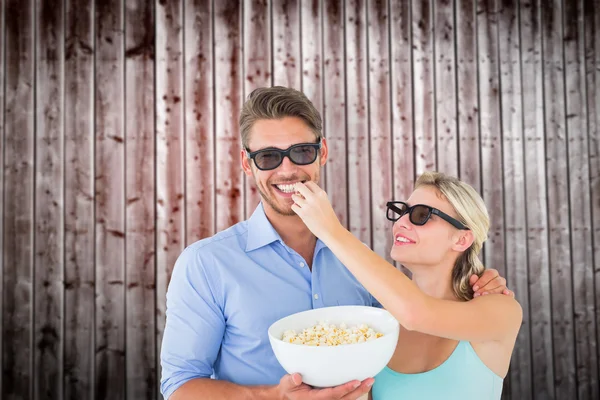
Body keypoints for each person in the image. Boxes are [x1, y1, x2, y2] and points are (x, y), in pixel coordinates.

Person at [160, 86, 513, 400]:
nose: (286, 170)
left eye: (300, 152)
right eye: (268, 156)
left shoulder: (367, 272)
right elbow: (178, 386)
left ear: (321, 152)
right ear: (247, 164)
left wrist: (478, 278)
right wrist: (272, 396)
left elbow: (420, 310)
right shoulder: (206, 264)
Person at [290, 172, 522, 399]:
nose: (400, 222)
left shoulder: (501, 311)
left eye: (421, 215)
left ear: (461, 239)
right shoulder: (377, 326)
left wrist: (331, 231)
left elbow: (416, 314)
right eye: (402, 211)